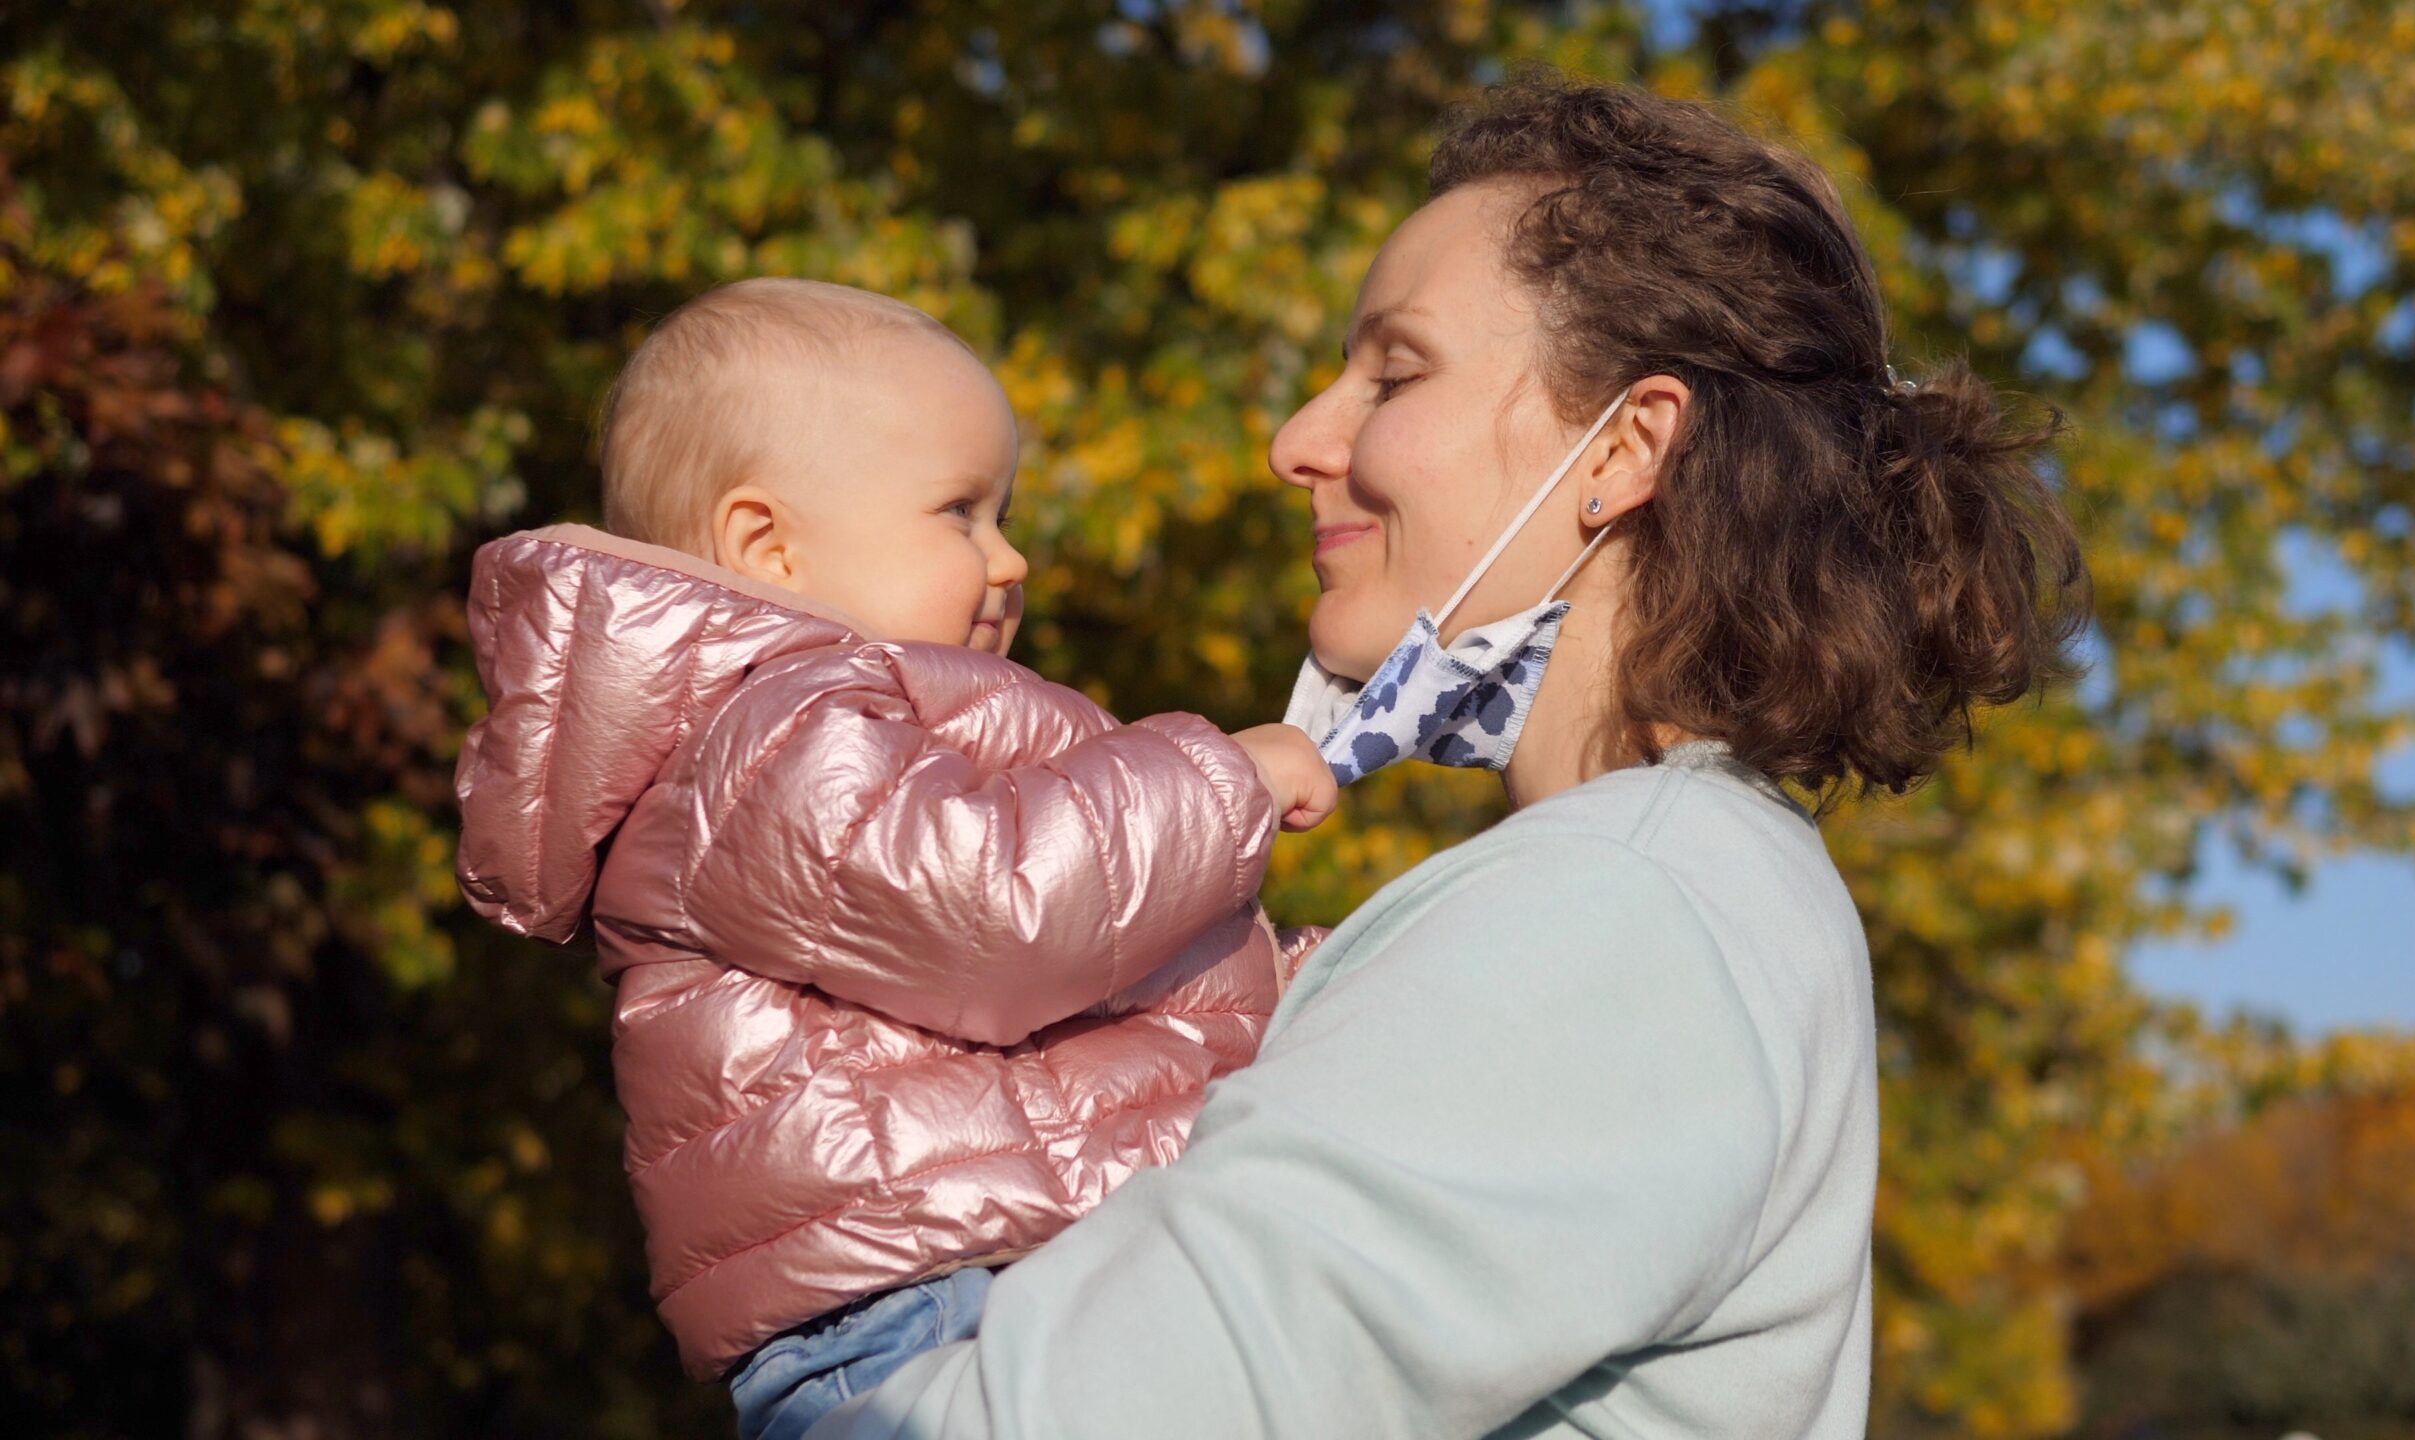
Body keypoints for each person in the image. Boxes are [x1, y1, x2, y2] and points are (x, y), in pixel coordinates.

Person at [816, 76, 2085, 1439]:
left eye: (1395, 371)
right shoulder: (1673, 886)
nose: (1298, 441)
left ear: (1628, 447)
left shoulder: (1619, 914)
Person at [449, 278, 1337, 1440]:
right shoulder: (762, 733)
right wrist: (1229, 778)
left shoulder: (857, 731)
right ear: (764, 545)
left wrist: (1333, 983)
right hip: (929, 1316)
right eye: (960, 513)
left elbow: (1092, 990)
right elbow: (995, 912)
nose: (1009, 558)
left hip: (979, 1277)